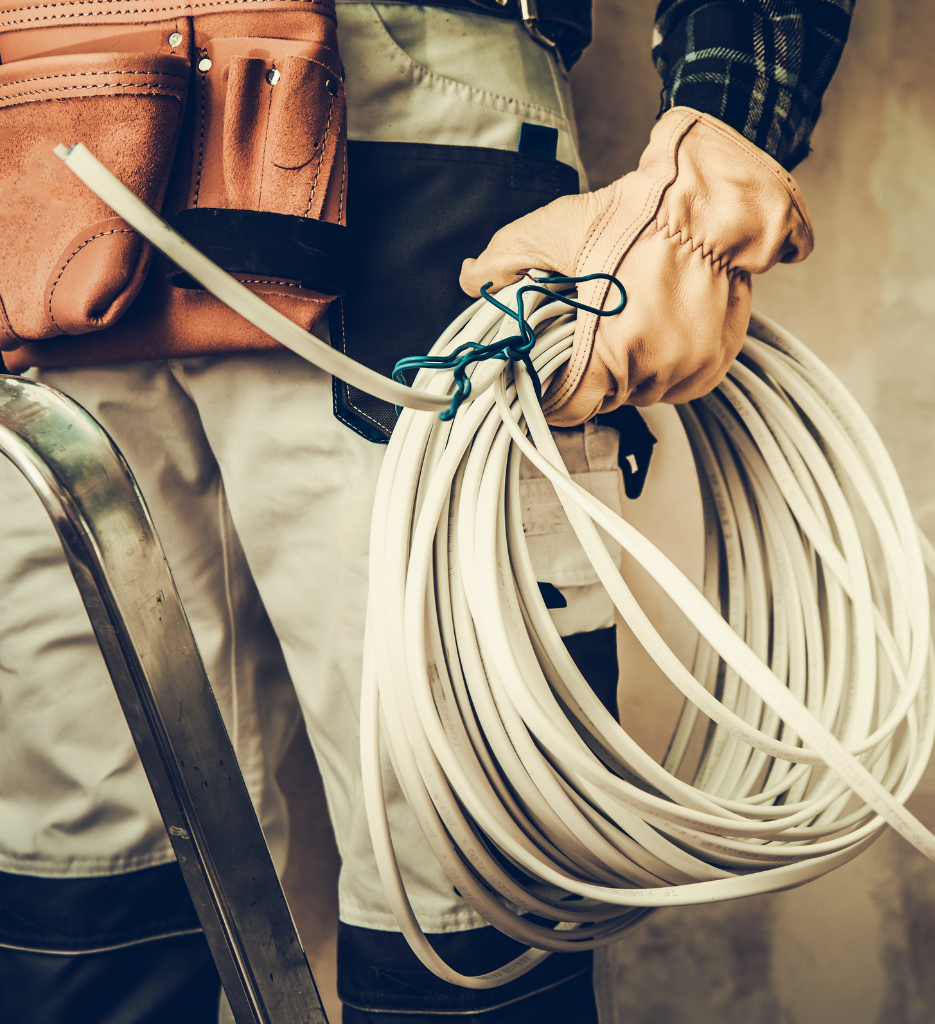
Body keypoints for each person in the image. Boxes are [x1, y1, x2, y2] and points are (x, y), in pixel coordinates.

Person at [0, 1, 853, 1021]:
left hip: (406, 140)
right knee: (81, 866)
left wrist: (713, 160)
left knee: (456, 879)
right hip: (45, 146)